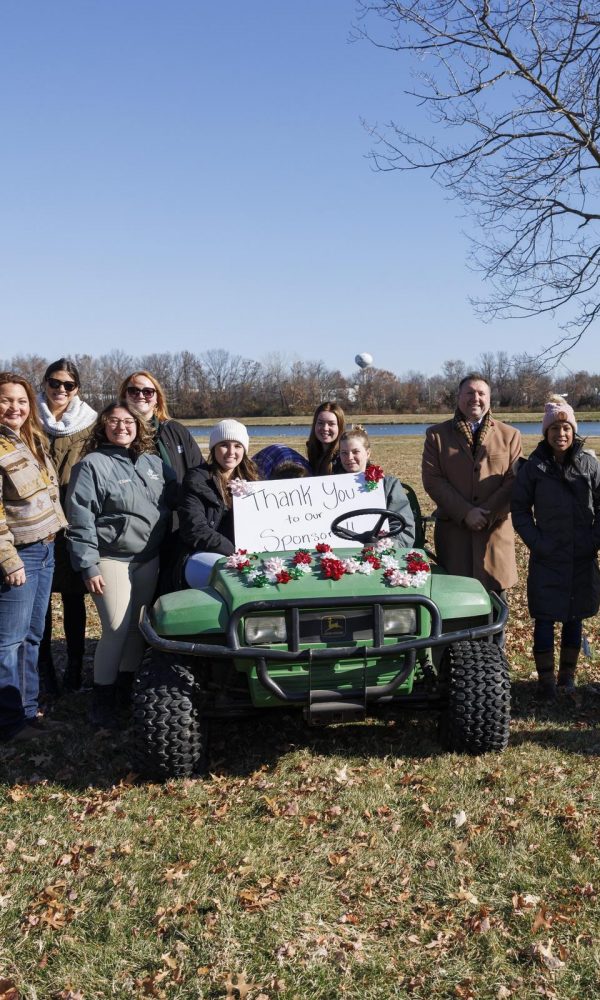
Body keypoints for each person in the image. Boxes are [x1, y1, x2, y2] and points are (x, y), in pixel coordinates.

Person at [65, 402, 176, 728]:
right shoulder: (92, 465)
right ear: (103, 426)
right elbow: (80, 518)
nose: (121, 426)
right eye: (113, 421)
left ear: (138, 426)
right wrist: (88, 565)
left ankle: (127, 689)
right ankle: (102, 700)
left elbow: (178, 495)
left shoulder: (153, 462)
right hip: (111, 558)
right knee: (115, 629)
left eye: (127, 421)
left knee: (135, 630)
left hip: (148, 558)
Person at [511, 396, 600, 699]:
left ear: (573, 431)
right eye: (554, 429)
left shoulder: (589, 463)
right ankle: (546, 682)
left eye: (566, 428)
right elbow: (520, 511)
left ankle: (568, 677)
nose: (560, 434)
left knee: (575, 616)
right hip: (547, 556)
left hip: (581, 555)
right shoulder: (534, 467)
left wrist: (592, 540)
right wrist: (537, 542)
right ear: (545, 433)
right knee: (545, 617)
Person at [0, 372, 67, 743]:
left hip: (46, 548)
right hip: (19, 554)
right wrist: (8, 560)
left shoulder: (30, 440)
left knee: (32, 636)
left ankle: (27, 712)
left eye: (22, 401)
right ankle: (9, 724)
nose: (15, 408)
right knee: (8, 641)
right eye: (7, 400)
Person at [422, 373, 522, 594]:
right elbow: (433, 480)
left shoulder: (510, 435)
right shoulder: (436, 436)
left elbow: (514, 482)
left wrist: (485, 513)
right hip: (454, 538)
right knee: (456, 610)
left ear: (489, 398)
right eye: (469, 393)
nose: (475, 398)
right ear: (458, 397)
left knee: (496, 614)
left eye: (481, 393)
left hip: (494, 539)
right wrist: (466, 512)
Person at [37, 358, 97, 694]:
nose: (61, 390)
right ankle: (45, 670)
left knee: (74, 599)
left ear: (77, 389)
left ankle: (75, 666)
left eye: (68, 385)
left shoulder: (90, 425)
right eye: (54, 383)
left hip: (73, 522)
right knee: (39, 600)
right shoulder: (30, 418)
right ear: (44, 383)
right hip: (37, 523)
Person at [180, 420, 259, 588]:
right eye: (224, 445)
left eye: (237, 446)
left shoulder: (253, 480)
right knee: (235, 576)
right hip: (203, 555)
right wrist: (235, 550)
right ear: (213, 448)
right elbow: (194, 529)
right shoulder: (198, 479)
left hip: (246, 553)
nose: (231, 452)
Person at [118, 370, 202, 485]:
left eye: (148, 392)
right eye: (133, 391)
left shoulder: (176, 430)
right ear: (124, 396)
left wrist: (190, 502)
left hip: (179, 501)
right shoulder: (117, 432)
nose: (141, 396)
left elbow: (199, 472)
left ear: (157, 398)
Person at [338, 425, 416, 548]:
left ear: (367, 453)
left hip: (382, 553)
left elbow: (404, 526)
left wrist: (390, 544)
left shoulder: (387, 485)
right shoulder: (331, 488)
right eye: (344, 453)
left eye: (355, 452)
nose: (349, 458)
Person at [306, 401, 345, 475]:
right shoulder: (312, 451)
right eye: (320, 423)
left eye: (331, 424)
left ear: (340, 427)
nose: (325, 428)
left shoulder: (345, 456)